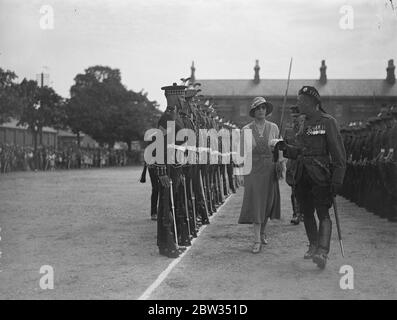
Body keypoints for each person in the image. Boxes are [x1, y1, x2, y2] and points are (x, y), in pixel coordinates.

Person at [277, 86, 346, 269]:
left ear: (312, 103)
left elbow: (339, 155)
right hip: (302, 175)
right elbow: (299, 151)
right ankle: (313, 246)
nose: (298, 104)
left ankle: (322, 252)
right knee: (307, 212)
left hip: (320, 175)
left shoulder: (328, 122)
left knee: (322, 213)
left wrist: (337, 179)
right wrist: (284, 148)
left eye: (300, 101)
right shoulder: (302, 123)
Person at [238, 96, 282, 254]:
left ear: (266, 110)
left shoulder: (274, 128)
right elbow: (242, 153)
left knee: (267, 203)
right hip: (253, 171)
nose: (261, 110)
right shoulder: (246, 130)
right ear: (253, 111)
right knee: (256, 203)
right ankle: (256, 240)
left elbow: (279, 149)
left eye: (263, 108)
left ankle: (263, 232)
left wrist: (279, 163)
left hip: (270, 170)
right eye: (258, 108)